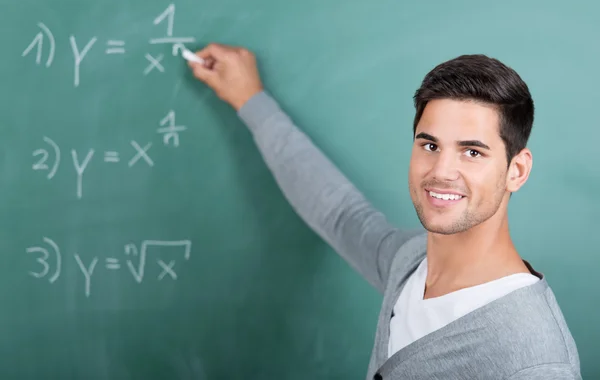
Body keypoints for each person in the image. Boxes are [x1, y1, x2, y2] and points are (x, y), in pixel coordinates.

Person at [187, 43, 581, 379]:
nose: (442, 171)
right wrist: (249, 98)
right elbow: (337, 212)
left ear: (517, 170)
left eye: (472, 152)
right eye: (429, 145)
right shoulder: (409, 263)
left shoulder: (535, 361)